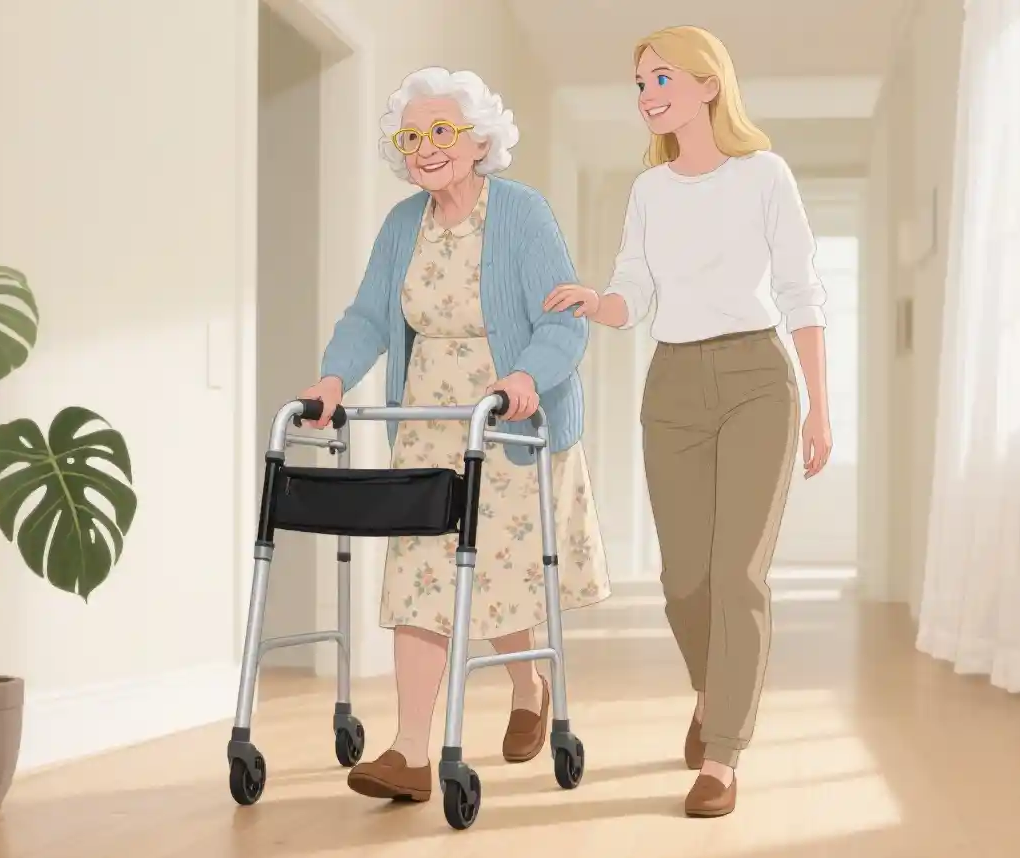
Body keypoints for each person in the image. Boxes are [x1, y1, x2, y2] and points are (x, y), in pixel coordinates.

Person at [299, 66, 611, 804]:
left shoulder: (522, 214)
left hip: (506, 422)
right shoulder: (402, 224)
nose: (424, 148)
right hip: (426, 425)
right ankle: (409, 751)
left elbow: (562, 318)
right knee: (422, 580)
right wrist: (331, 380)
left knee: (495, 575)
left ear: (478, 140)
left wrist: (525, 379)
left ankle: (526, 684)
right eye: (411, 136)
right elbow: (370, 316)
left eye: (440, 131)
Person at [545, 25, 833, 818]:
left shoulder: (763, 175)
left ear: (708, 84)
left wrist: (818, 407)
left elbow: (801, 291)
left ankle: (722, 755)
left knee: (738, 574)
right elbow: (632, 288)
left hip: (755, 380)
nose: (647, 96)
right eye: (639, 83)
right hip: (670, 381)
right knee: (683, 580)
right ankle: (710, 690)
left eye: (661, 78)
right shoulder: (649, 191)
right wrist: (595, 303)